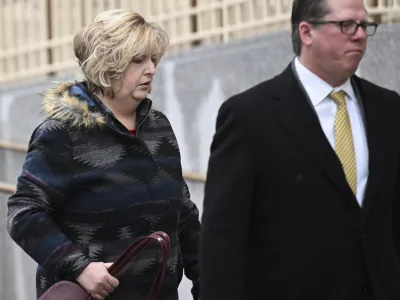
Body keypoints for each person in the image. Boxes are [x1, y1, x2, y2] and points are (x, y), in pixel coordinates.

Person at [200, 0, 400, 299]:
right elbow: (222, 242)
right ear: (306, 32)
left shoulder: (388, 108)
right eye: (346, 25)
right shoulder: (250, 117)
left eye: (363, 25)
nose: (359, 34)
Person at [7, 9, 200, 300]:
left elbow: (182, 214)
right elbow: (24, 214)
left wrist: (210, 281)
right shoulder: (62, 134)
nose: (151, 69)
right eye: (138, 60)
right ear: (107, 64)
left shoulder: (159, 128)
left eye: (153, 59)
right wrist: (79, 267)